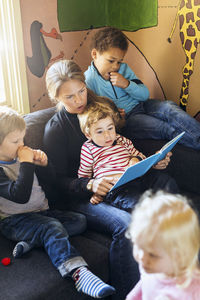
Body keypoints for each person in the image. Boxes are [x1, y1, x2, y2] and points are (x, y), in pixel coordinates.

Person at [43, 59, 178, 300]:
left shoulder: (101, 106)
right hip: (80, 195)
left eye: (81, 91)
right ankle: (126, 294)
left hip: (121, 178)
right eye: (69, 97)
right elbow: (55, 185)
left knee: (166, 184)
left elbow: (121, 143)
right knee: (126, 226)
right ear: (56, 99)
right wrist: (89, 184)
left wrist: (148, 161)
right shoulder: (56, 129)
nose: (79, 101)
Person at [0, 106, 116, 299]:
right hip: (15, 221)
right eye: (15, 141)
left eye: (23, 139)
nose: (21, 145)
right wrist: (27, 164)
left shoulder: (21, 156)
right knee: (51, 227)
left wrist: (44, 164)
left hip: (42, 212)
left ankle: (31, 241)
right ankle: (78, 273)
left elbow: (51, 179)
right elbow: (20, 195)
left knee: (79, 221)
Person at [84, 26, 200, 150]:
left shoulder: (124, 69)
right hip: (127, 119)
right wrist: (113, 113)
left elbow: (144, 95)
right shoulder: (89, 81)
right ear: (95, 54)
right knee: (163, 127)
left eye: (119, 61)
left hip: (143, 104)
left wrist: (127, 84)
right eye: (111, 61)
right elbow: (94, 112)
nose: (116, 66)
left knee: (169, 107)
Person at [77, 99, 178, 211]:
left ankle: (172, 208)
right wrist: (94, 192)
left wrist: (135, 158)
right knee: (139, 204)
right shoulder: (88, 148)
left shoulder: (121, 139)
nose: (107, 135)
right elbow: (84, 176)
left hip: (138, 177)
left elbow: (140, 155)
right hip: (116, 188)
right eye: (100, 131)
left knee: (165, 180)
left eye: (110, 128)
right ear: (88, 135)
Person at [125, 190, 200, 300]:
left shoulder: (192, 292)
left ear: (179, 256)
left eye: (152, 255)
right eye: (138, 246)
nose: (142, 257)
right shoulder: (150, 266)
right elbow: (145, 282)